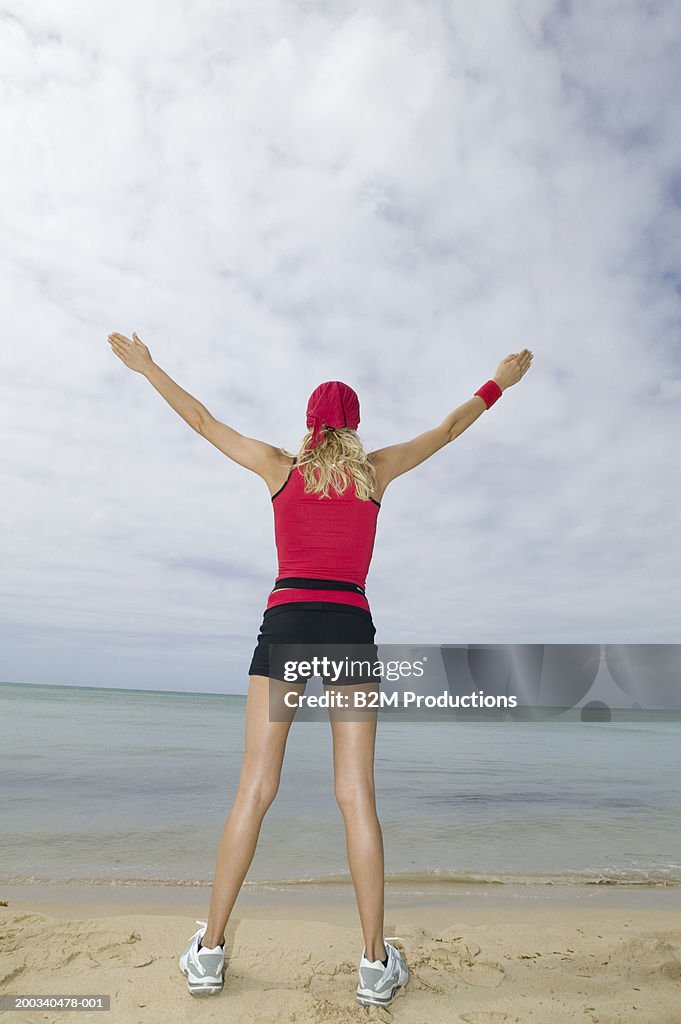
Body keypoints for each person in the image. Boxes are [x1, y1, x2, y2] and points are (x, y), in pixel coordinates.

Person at [107, 331, 533, 1006]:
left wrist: (148, 366)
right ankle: (372, 965)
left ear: (309, 424)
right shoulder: (378, 472)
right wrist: (498, 382)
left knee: (254, 789)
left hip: (287, 626)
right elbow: (449, 429)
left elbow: (201, 420)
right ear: (355, 426)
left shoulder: (280, 468)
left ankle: (210, 953)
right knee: (356, 794)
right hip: (348, 628)